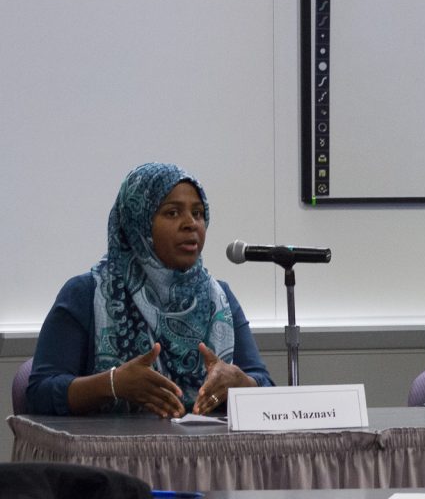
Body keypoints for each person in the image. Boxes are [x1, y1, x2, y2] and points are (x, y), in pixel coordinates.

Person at [27, 163, 274, 417]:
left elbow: (264, 385)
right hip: (106, 453)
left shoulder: (219, 297)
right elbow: (39, 393)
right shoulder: (86, 293)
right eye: (172, 213)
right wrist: (112, 384)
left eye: (198, 213)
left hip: (208, 453)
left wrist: (240, 382)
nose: (191, 224)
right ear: (139, 223)